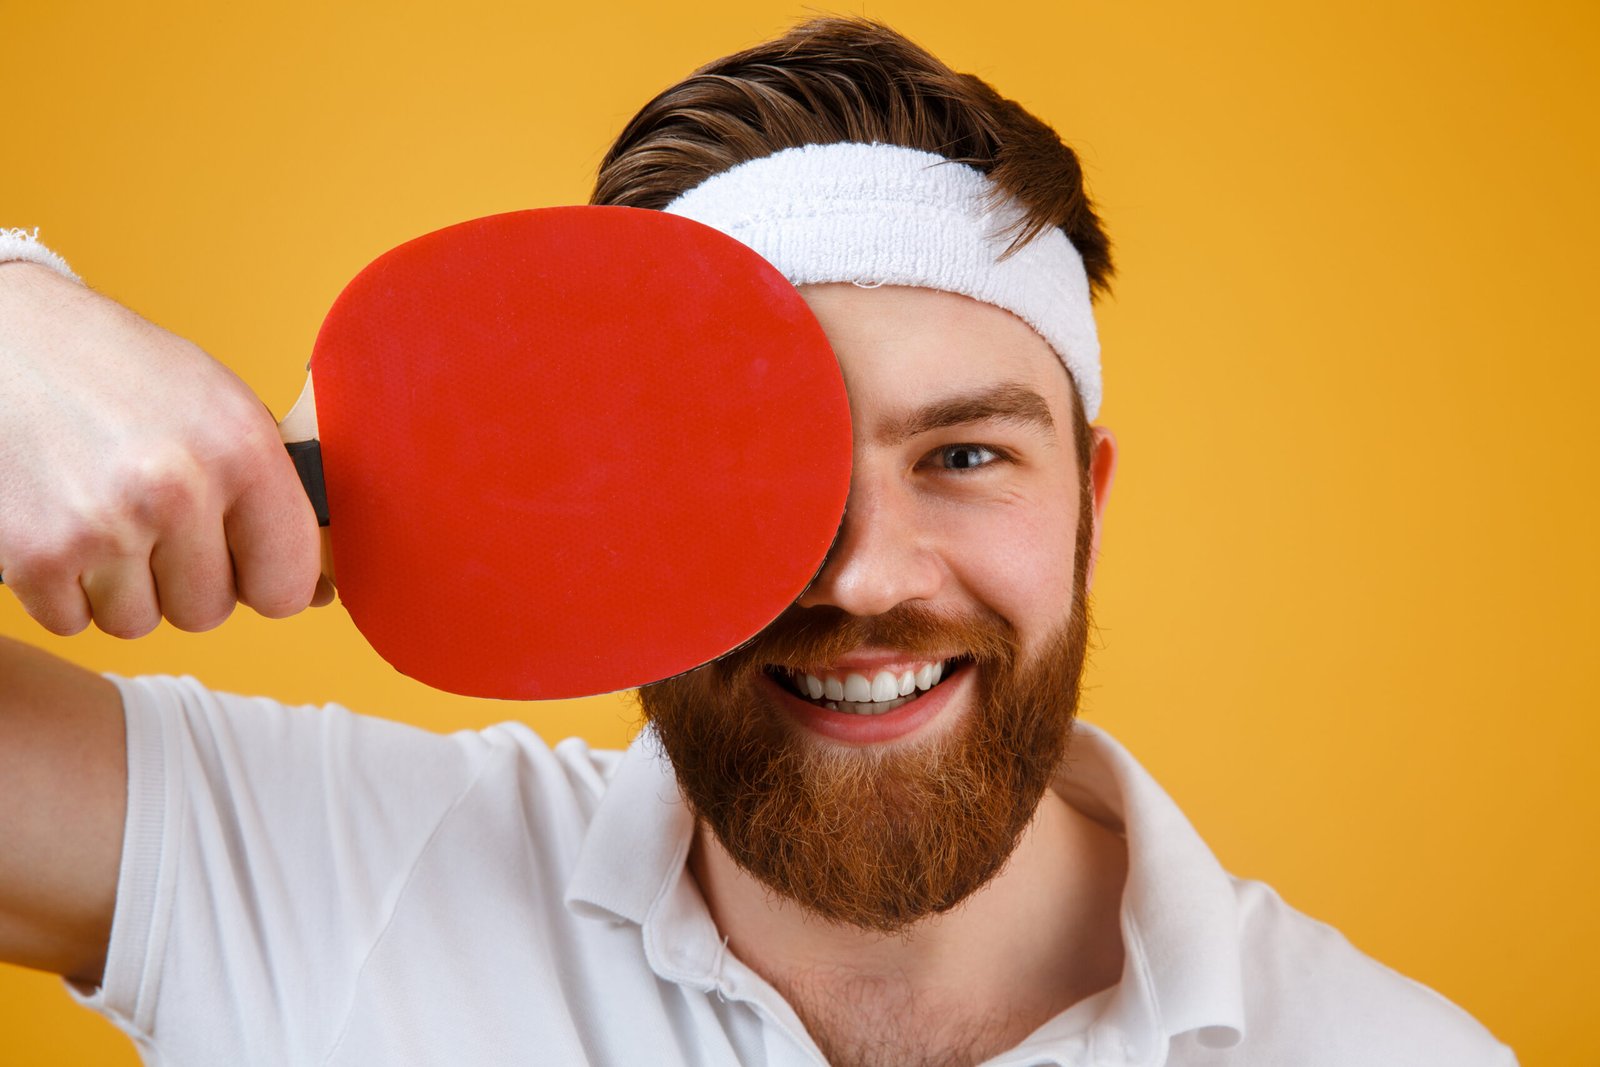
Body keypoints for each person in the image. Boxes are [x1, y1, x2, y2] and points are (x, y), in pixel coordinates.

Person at [0, 17, 1516, 1067]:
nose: (865, 577)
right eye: (743, 472)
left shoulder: (1393, 1055)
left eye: (967, 454)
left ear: (1091, 509)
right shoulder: (324, 880)